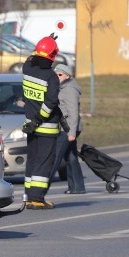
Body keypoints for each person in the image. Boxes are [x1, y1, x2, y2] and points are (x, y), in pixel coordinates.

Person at [21, 34, 62, 210]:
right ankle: (37, 198)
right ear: (52, 57)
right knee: (44, 161)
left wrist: (44, 42)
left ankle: (28, 195)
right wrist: (39, 119)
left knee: (32, 160)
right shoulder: (51, 77)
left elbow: (30, 59)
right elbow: (51, 103)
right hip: (45, 126)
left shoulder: (27, 69)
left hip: (30, 124)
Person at [50, 63, 86, 194]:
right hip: (67, 128)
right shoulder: (62, 87)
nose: (57, 77)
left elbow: (73, 113)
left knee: (56, 157)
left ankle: (41, 188)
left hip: (67, 128)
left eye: (59, 75)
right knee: (71, 158)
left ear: (67, 76)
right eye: (55, 75)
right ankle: (77, 187)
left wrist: (71, 133)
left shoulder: (69, 89)